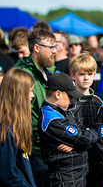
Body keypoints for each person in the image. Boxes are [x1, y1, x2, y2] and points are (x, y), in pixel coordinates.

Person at [14, 29, 58, 187]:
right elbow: (20, 115)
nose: (54, 51)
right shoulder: (23, 75)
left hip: (49, 147)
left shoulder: (49, 71)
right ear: (37, 48)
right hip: (34, 150)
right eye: (50, 47)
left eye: (55, 47)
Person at [38, 73, 98, 187]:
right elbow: (85, 138)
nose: (72, 100)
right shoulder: (52, 118)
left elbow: (82, 133)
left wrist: (75, 143)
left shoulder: (65, 111)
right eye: (70, 96)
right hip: (64, 179)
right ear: (58, 94)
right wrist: (85, 136)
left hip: (75, 177)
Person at [68, 53, 103, 187]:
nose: (86, 78)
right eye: (81, 74)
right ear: (73, 75)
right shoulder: (68, 103)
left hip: (95, 160)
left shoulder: (99, 103)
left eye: (89, 74)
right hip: (74, 160)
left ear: (94, 75)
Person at [0, 68, 37, 187]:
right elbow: (7, 174)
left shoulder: (13, 125)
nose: (32, 95)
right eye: (30, 91)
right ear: (19, 93)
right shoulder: (6, 129)